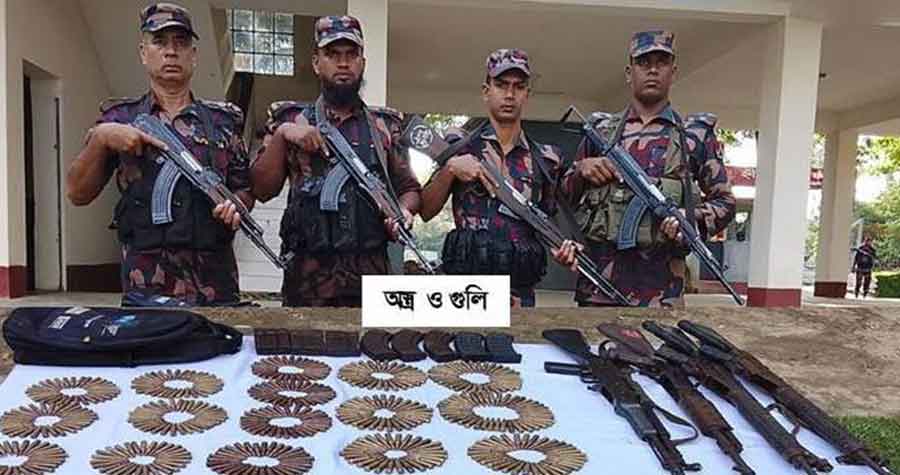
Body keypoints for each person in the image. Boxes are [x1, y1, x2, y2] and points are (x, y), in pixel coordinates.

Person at [66, 3, 251, 306]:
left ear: (194, 55)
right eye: (160, 42)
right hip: (146, 287)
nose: (171, 52)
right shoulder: (120, 118)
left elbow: (244, 189)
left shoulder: (224, 121)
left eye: (181, 43)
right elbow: (77, 193)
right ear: (143, 53)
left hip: (214, 286)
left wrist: (236, 206)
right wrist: (101, 138)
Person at [251, 16, 421, 307]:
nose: (343, 63)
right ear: (316, 63)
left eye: (351, 55)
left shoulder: (384, 126)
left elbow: (410, 189)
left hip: (370, 277)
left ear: (362, 63)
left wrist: (403, 212)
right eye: (333, 54)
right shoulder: (289, 118)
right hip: (307, 281)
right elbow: (261, 190)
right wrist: (282, 135)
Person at [559, 30, 736, 307]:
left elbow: (725, 203)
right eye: (643, 63)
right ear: (629, 73)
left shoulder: (694, 136)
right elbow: (563, 195)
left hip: (661, 294)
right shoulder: (601, 131)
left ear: (673, 72)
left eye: (661, 62)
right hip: (598, 289)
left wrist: (688, 218)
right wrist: (582, 168)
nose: (652, 70)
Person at [419, 48, 577, 307]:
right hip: (466, 293)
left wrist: (561, 249)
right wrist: (449, 170)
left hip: (519, 295)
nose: (510, 95)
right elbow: (425, 210)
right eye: (501, 85)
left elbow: (545, 224)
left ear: (527, 94)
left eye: (519, 87)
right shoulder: (459, 147)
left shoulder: (547, 159)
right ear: (486, 91)